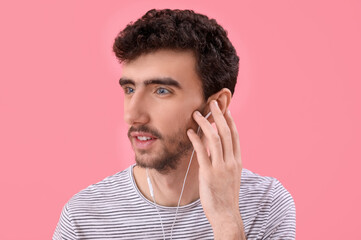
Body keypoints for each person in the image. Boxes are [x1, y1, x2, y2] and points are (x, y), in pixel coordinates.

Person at [53, 9, 296, 240]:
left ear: (216, 105)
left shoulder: (265, 205)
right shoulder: (83, 218)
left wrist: (227, 221)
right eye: (129, 89)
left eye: (161, 90)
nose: (132, 115)